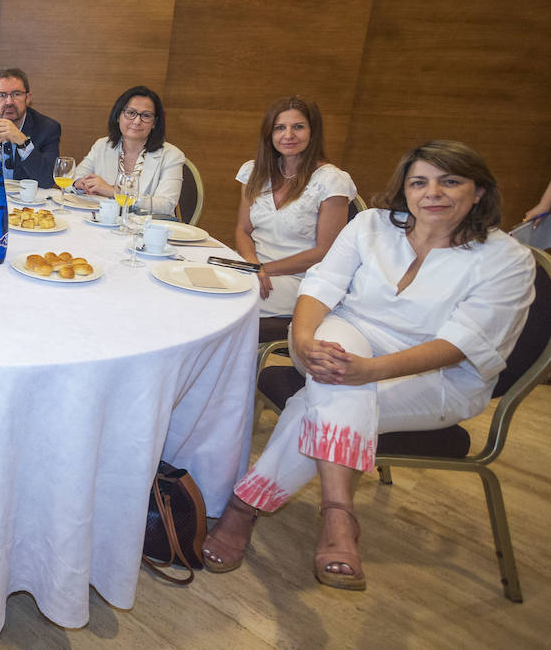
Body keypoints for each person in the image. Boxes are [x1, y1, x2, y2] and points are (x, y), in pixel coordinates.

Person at [201, 141, 534, 591]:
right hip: (351, 334)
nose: (432, 192)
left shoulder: (506, 258)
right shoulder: (373, 225)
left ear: (478, 192)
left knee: (321, 397)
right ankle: (338, 517)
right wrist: (301, 340)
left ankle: (248, 505)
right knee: (338, 369)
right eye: (419, 182)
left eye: (450, 180)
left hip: (441, 377)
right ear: (405, 189)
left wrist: (369, 371)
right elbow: (321, 285)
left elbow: (461, 345)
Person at [234, 95, 355, 317]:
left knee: (224, 302)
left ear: (313, 132)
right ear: (269, 134)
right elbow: (243, 230)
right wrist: (252, 265)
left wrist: (263, 270)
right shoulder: (254, 171)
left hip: (301, 280)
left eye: (298, 127)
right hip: (254, 269)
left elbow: (325, 252)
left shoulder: (332, 180)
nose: (288, 135)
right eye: (280, 127)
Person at [71, 85, 184, 215]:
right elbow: (74, 178)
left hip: (146, 229)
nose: (137, 121)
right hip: (105, 223)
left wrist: (114, 192)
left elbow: (166, 205)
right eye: (131, 113)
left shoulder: (172, 155)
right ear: (118, 116)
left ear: (154, 123)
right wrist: (79, 184)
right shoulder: (102, 146)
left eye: (146, 116)